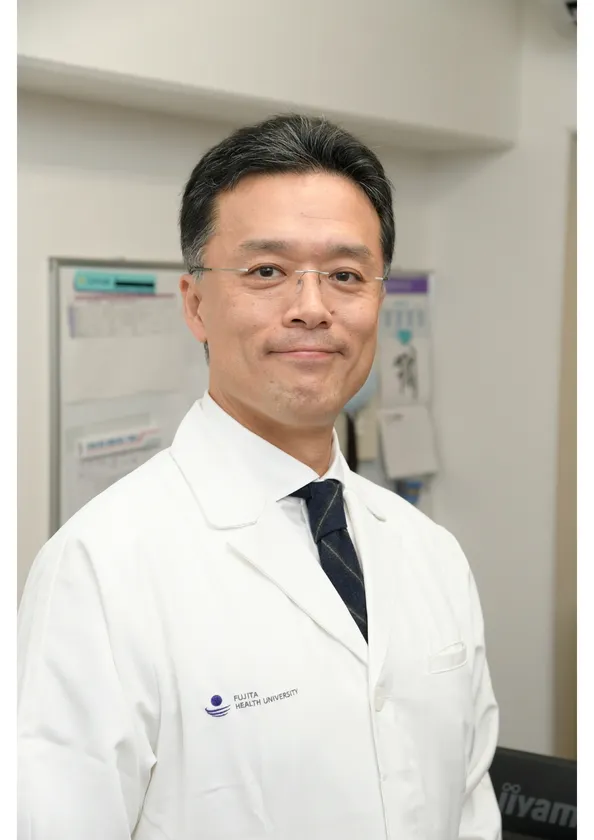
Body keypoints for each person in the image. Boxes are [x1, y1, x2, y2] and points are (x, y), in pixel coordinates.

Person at [18, 114, 501, 840]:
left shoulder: (430, 552)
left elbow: (469, 813)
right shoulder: (99, 569)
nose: (311, 308)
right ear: (195, 305)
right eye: (267, 272)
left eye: (345, 275)